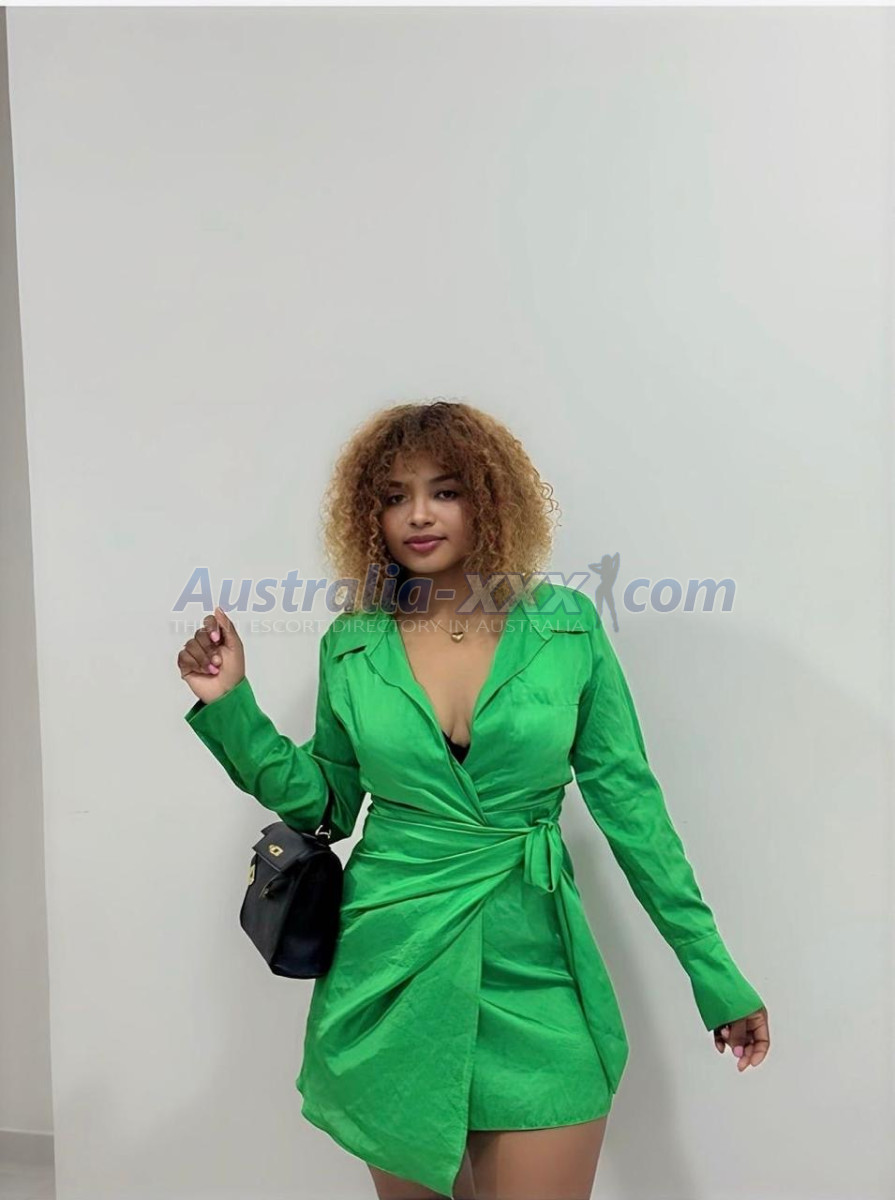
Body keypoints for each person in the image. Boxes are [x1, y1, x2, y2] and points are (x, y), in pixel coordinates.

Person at [177, 399, 770, 1200]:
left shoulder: (564, 628)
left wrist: (713, 973)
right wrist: (230, 706)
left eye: (445, 490)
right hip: (391, 962)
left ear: (490, 498)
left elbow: (633, 811)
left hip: (536, 964)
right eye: (394, 496)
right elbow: (327, 803)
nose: (418, 515)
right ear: (369, 515)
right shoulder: (352, 642)